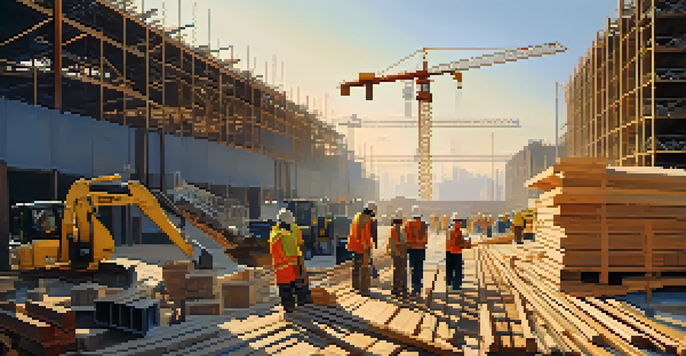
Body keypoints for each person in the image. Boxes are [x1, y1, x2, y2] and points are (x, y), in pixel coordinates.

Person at [269, 209, 302, 313]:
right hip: (286, 268)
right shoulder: (284, 235)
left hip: (283, 268)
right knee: (288, 290)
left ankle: (289, 308)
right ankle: (290, 309)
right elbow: (291, 254)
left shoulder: (276, 233)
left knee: (286, 290)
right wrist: (298, 265)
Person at [347, 201, 377, 296]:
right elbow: (364, 234)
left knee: (356, 265)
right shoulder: (366, 220)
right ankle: (362, 287)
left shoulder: (358, 216)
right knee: (362, 266)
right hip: (361, 246)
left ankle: (356, 285)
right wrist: (367, 247)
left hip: (354, 244)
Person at [405, 205, 428, 298]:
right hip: (421, 249)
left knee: (413, 268)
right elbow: (426, 239)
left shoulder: (408, 224)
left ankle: (414, 286)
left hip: (411, 249)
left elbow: (405, 236)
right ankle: (418, 286)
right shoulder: (424, 225)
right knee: (419, 268)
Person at [387, 208, 408, 298]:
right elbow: (397, 241)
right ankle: (399, 289)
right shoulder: (397, 229)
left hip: (396, 252)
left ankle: (397, 289)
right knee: (400, 271)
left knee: (398, 271)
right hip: (399, 253)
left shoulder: (394, 228)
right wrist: (405, 244)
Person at [446, 213, 469, 290]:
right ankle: (450, 282)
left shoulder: (461, 232)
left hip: (458, 253)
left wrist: (465, 243)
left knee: (458, 269)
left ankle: (456, 284)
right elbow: (449, 242)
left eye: (458, 222)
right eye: (456, 222)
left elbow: (465, 240)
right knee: (450, 268)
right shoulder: (450, 231)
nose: (457, 223)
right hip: (450, 252)